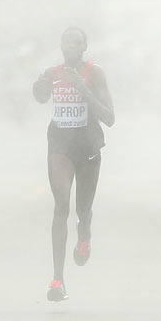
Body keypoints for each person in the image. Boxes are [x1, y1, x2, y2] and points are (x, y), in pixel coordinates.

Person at [32, 27, 115, 302]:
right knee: (61, 205)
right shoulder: (53, 72)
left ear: (84, 47)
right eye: (68, 40)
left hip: (88, 146)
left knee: (83, 208)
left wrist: (83, 89)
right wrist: (40, 84)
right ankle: (58, 280)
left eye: (78, 41)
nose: (72, 45)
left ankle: (84, 236)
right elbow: (40, 96)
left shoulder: (95, 73)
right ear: (61, 45)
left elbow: (110, 117)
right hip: (60, 146)